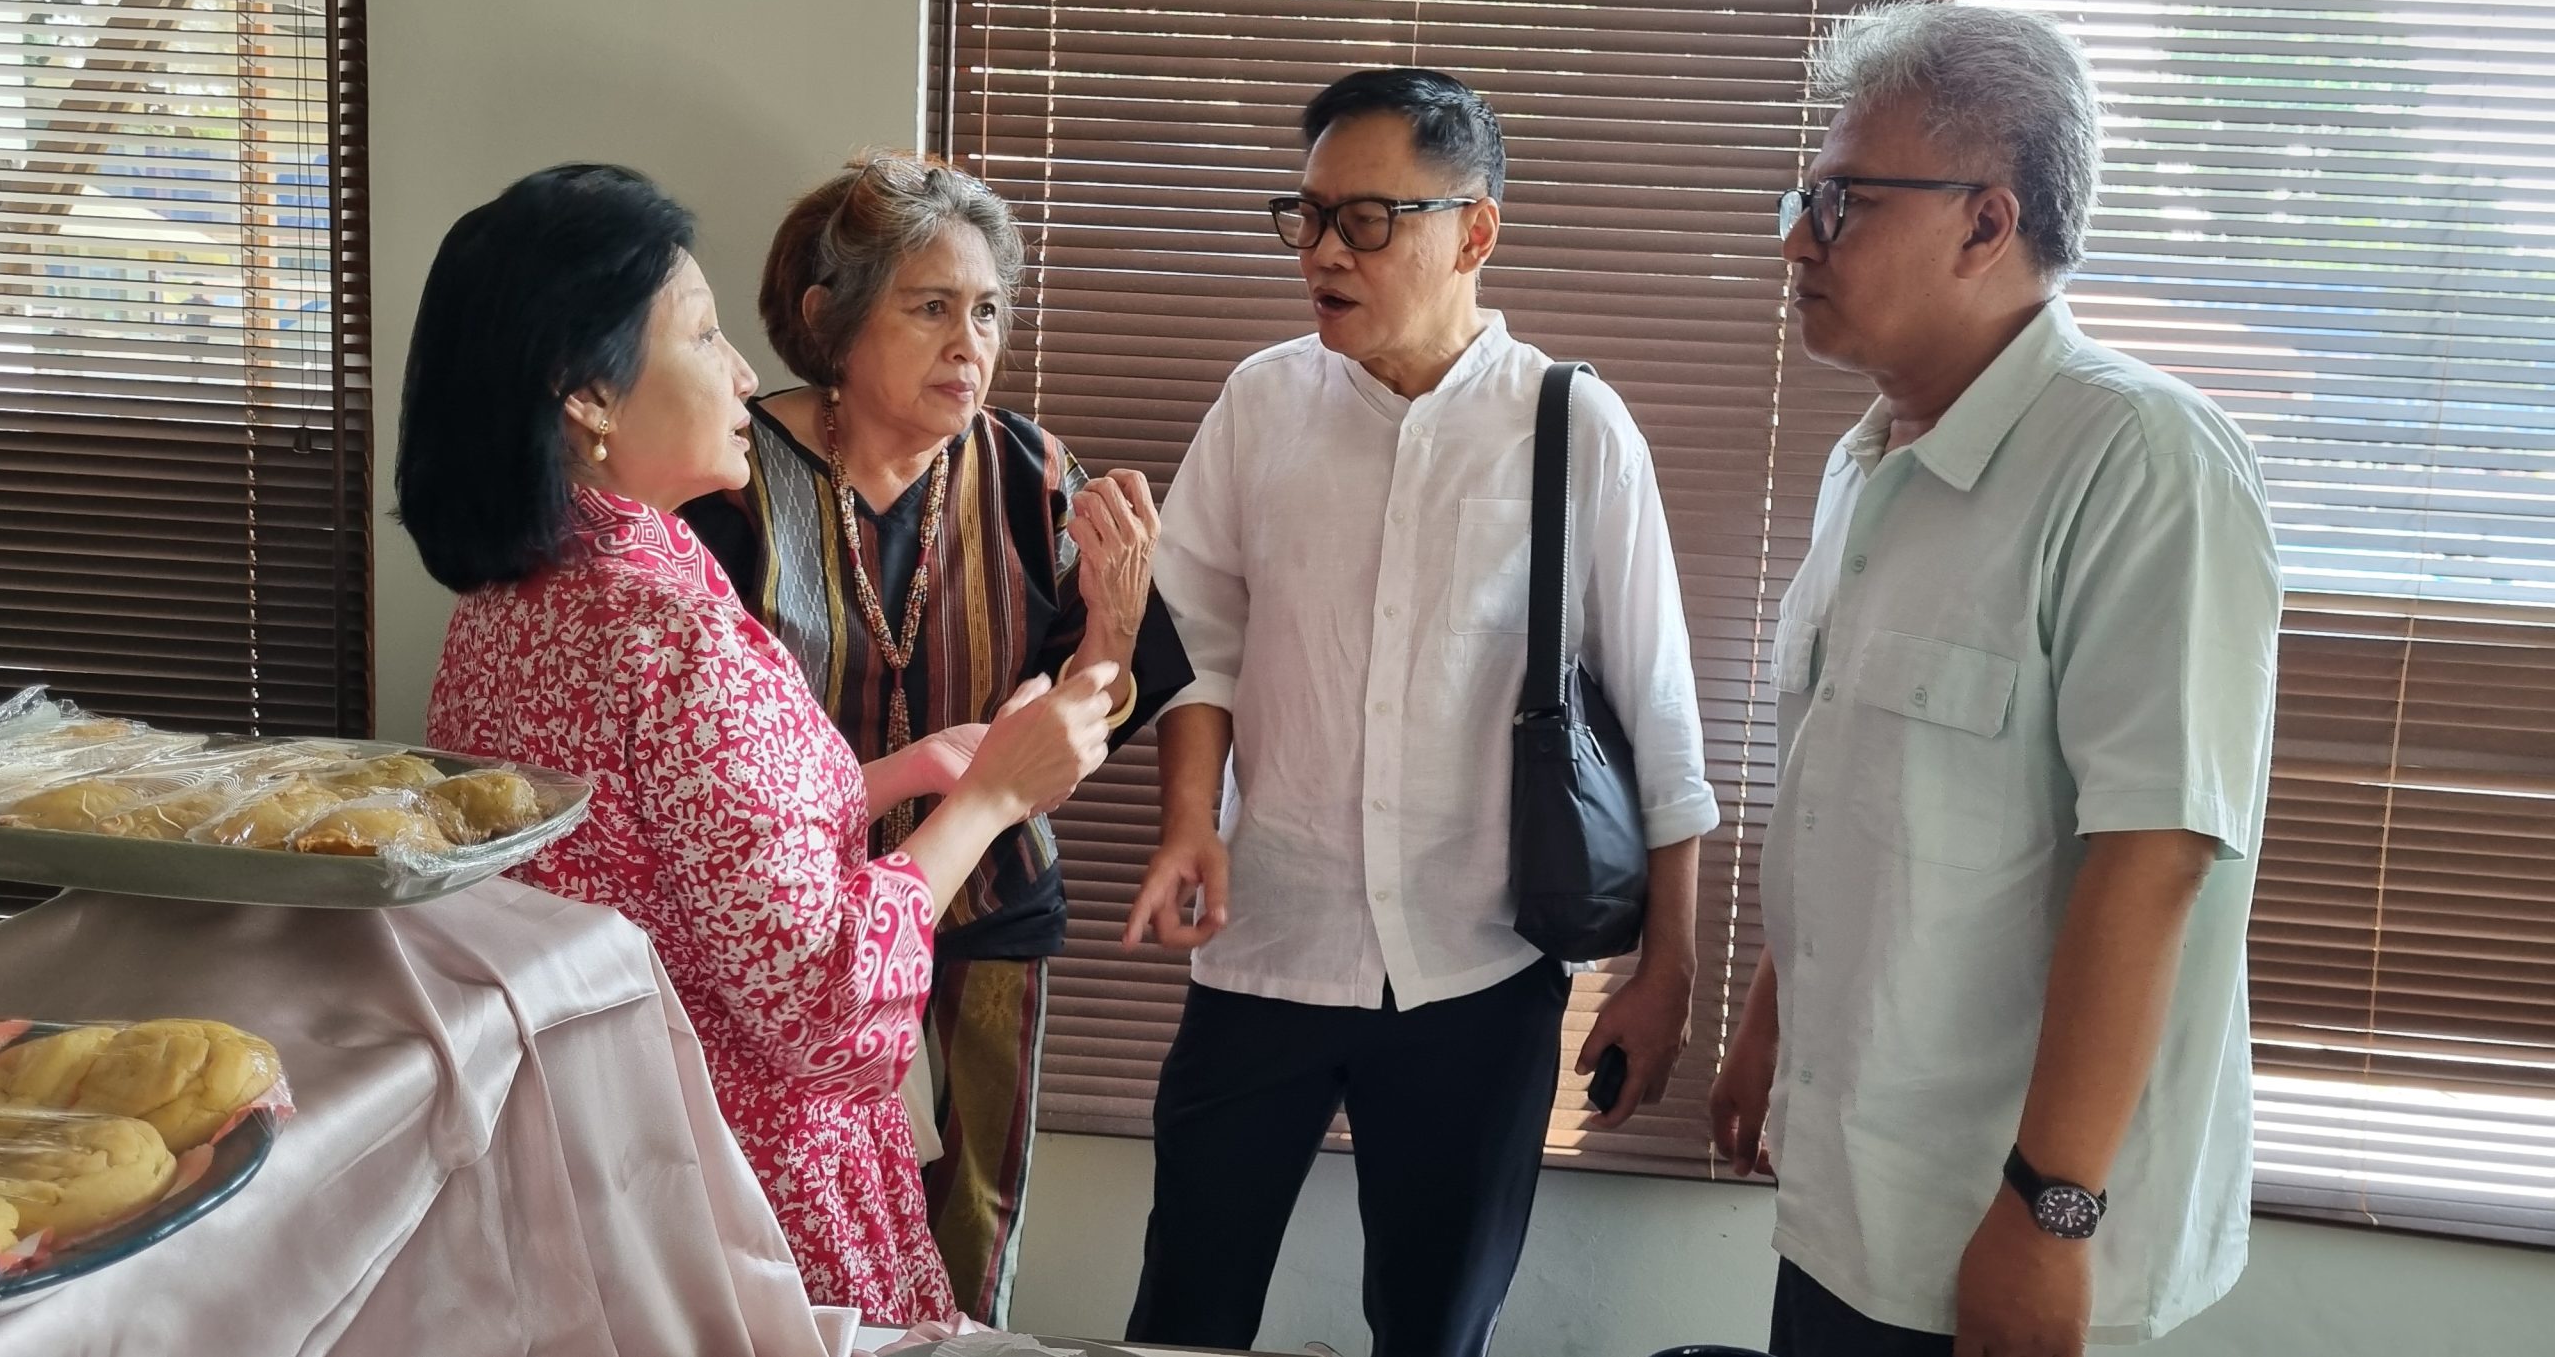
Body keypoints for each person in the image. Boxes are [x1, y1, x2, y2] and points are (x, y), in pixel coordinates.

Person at [399, 163, 1120, 1322]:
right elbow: (824, 1002)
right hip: (751, 1182)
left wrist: (903, 772)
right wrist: (986, 799)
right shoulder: (675, 633)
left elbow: (675, 843)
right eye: (701, 335)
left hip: (609, 1145)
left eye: (985, 309)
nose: (742, 372)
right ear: (588, 396)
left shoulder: (518, 600)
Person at [1707, 2, 2281, 1356]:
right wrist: (1769, 1021)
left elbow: (2155, 856)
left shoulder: (2140, 461)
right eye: (1804, 199)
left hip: (2008, 1224)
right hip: (1846, 1188)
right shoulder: (1868, 462)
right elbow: (1854, 789)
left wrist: (2050, 1209)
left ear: (1984, 222)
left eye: (1841, 202)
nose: (1797, 239)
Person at [1121, 68, 1720, 1357]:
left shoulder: (1572, 426)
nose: (1323, 253)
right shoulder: (1262, 402)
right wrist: (1189, 821)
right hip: (1264, 947)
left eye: (1367, 220)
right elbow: (1197, 639)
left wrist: (1665, 971)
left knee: (1436, 1329)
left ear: (1474, 231)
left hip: (1479, 968)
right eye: (1307, 217)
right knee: (1182, 1314)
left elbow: (1660, 711)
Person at [680, 152, 1191, 1324]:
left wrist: (1112, 625)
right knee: (779, 1239)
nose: (972, 343)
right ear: (831, 319)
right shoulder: (727, 476)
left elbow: (1083, 720)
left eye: (989, 310)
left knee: (968, 1228)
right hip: (785, 935)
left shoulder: (1030, 473)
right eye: (931, 307)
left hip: (986, 921)